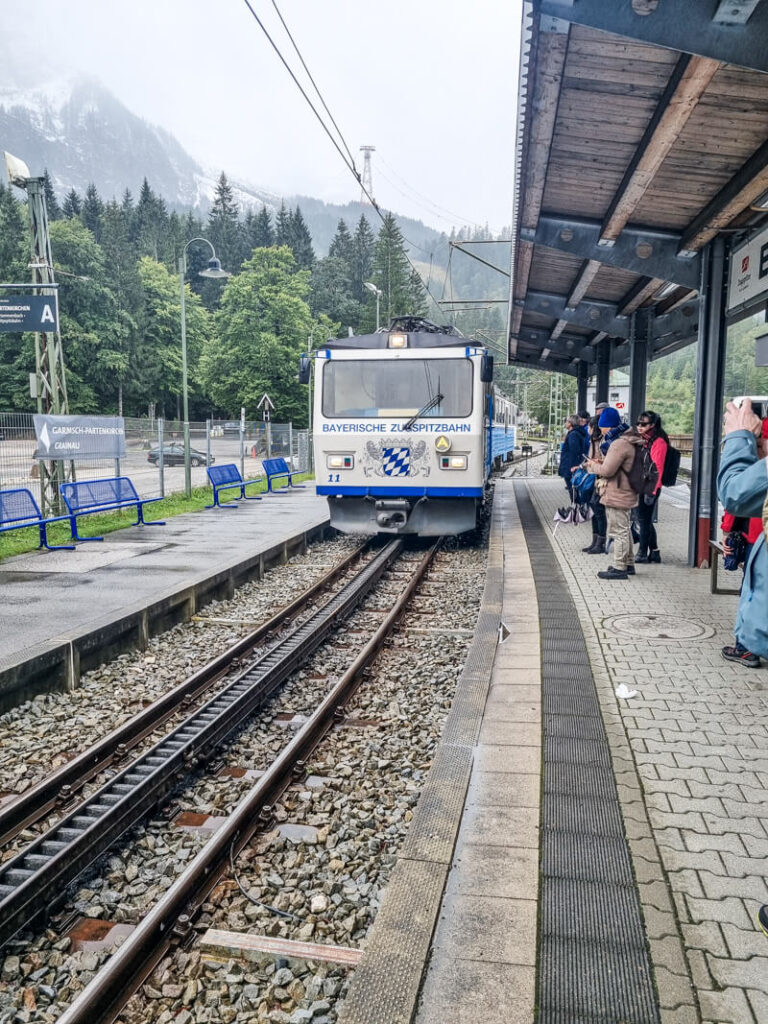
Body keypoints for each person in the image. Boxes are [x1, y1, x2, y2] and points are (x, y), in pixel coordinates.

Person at [717, 399, 768, 667]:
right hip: (751, 535)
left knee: (751, 590)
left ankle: (746, 646)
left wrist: (739, 438)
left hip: (755, 535)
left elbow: (735, 493)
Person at [584, 407, 643, 580]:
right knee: (625, 529)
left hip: (618, 491)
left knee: (619, 530)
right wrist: (602, 461)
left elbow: (608, 471)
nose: (600, 430)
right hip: (626, 489)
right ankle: (628, 563)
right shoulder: (629, 440)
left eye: (602, 427)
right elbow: (617, 465)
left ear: (608, 426)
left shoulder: (618, 444)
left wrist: (592, 466)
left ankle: (619, 567)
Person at [635, 411, 668, 563]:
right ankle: (654, 552)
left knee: (644, 520)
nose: (639, 427)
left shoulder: (658, 442)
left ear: (652, 425)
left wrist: (652, 491)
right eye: (638, 424)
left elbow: (658, 468)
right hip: (643, 485)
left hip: (651, 487)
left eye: (644, 424)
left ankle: (642, 553)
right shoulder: (645, 440)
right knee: (644, 520)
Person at [583, 415, 607, 554]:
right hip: (594, 476)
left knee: (599, 510)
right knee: (593, 509)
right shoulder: (593, 440)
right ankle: (595, 541)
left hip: (601, 478)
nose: (587, 429)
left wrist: (595, 462)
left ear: (594, 428)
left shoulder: (602, 442)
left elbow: (605, 460)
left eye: (589, 426)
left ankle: (600, 542)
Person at [558, 414, 586, 502]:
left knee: (573, 491)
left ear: (571, 423)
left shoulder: (573, 435)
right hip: (572, 466)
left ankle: (576, 511)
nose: (565, 423)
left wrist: (571, 467)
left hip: (571, 467)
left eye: (567, 421)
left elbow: (574, 451)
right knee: (574, 491)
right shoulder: (576, 433)